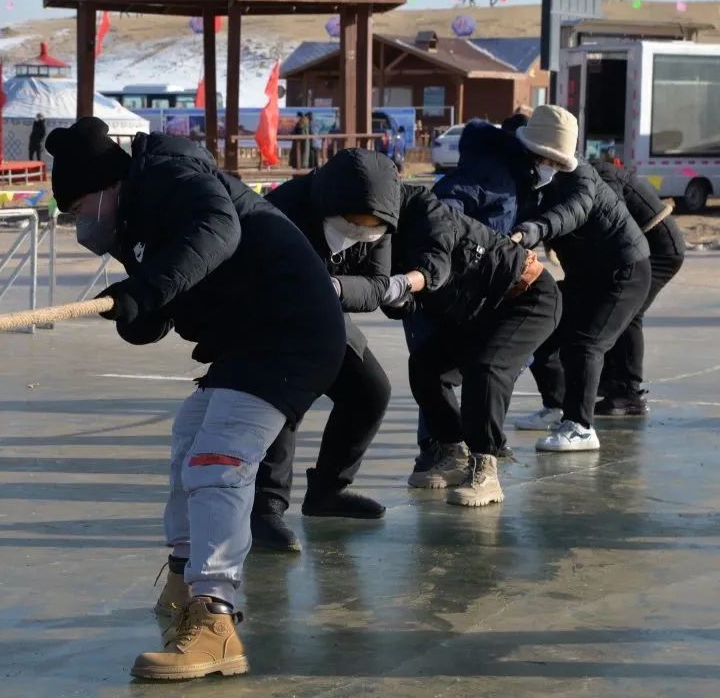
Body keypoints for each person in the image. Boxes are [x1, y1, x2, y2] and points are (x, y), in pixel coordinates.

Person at [45, 117, 345, 680]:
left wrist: (146, 290)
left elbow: (216, 230)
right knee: (190, 445)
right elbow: (170, 290)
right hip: (245, 341)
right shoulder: (132, 216)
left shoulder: (170, 174)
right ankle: (186, 580)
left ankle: (216, 619)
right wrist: (139, 312)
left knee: (219, 461)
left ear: (104, 185)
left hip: (290, 332)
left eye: (78, 205)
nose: (76, 220)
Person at [361, 151, 561, 505]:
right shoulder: (381, 229)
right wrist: (394, 299)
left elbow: (434, 266)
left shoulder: (428, 211)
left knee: (487, 368)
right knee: (425, 367)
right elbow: (403, 301)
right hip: (477, 310)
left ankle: (486, 467)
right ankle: (454, 453)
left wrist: (401, 285)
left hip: (527, 296)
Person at [250, 150, 400, 552]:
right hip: (268, 315)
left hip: (329, 310)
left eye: (369, 228)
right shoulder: (281, 209)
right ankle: (265, 509)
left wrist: (332, 288)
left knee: (370, 391)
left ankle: (328, 491)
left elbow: (375, 286)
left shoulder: (383, 218)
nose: (358, 232)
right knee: (286, 397)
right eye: (351, 224)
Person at [510, 105, 651, 451]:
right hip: (586, 275)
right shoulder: (531, 179)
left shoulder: (583, 180)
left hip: (624, 271)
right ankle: (556, 406)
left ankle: (580, 426)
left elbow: (571, 212)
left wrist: (535, 229)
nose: (548, 164)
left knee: (586, 343)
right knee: (542, 328)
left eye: (555, 159)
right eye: (543, 157)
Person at [592, 159, 685, 416]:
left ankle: (628, 393)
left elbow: (613, 218)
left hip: (661, 249)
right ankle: (613, 382)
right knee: (619, 308)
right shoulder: (592, 172)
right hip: (644, 246)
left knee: (628, 311)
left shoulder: (601, 175)